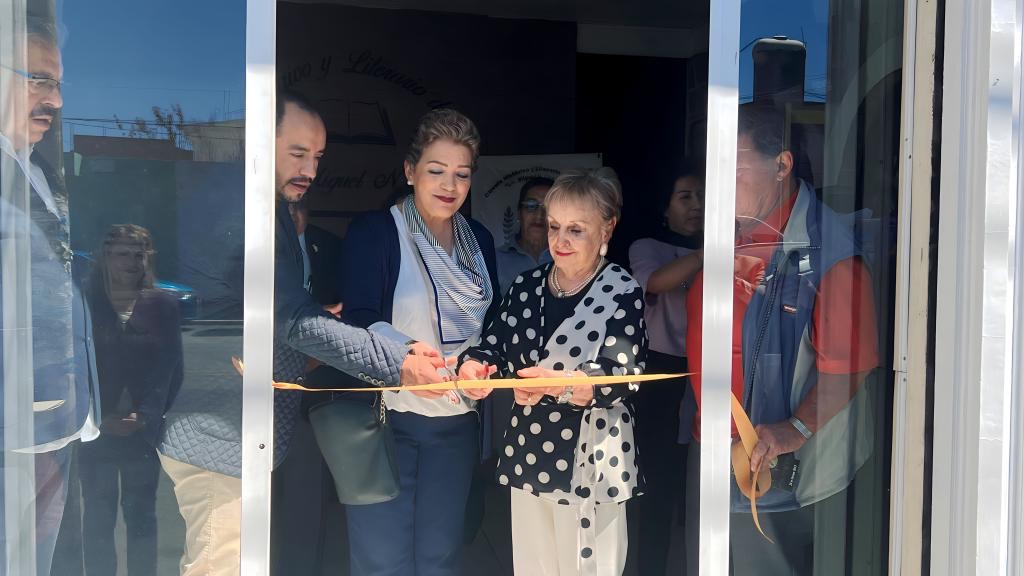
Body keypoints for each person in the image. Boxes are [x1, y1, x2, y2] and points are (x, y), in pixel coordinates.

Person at [156, 91, 449, 576]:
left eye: (317, 156)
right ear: (258, 141)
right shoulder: (239, 209)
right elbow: (289, 319)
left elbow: (273, 310)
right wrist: (399, 362)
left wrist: (318, 318)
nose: (310, 170)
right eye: (297, 153)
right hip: (216, 435)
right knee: (217, 564)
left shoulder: (258, 204)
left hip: (234, 432)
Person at [683, 104, 879, 575]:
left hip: (777, 471)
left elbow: (850, 364)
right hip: (713, 449)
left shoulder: (829, 253)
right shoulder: (733, 233)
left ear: (782, 165)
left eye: (733, 165)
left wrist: (796, 429)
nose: (719, 183)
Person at [459, 168, 649, 576]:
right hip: (530, 449)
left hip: (592, 457)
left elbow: (624, 374)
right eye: (554, 226)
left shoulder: (622, 289)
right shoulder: (525, 287)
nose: (560, 240)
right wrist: (474, 367)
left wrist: (557, 386)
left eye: (576, 230)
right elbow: (493, 347)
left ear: (607, 229)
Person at [337, 108, 500, 576]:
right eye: (436, 170)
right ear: (410, 171)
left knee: (440, 557)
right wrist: (408, 353)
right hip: (388, 420)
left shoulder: (479, 240)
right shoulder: (377, 232)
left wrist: (476, 362)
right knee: (381, 560)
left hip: (456, 421)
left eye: (461, 174)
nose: (449, 185)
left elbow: (489, 326)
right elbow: (357, 317)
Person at [0, 17, 101, 575]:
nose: (57, 101)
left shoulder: (40, 171)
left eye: (58, 84)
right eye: (40, 80)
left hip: (55, 417)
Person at [79, 224, 182, 576]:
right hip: (94, 432)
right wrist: (95, 417)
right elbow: (74, 367)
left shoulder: (163, 305)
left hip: (142, 434)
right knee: (97, 516)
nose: (131, 262)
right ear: (104, 257)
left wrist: (146, 415)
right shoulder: (84, 302)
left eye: (139, 254)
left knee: (142, 517)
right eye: (122, 253)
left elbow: (171, 368)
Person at [626, 168, 704, 575]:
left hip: (708, 373)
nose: (696, 206)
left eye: (702, 196)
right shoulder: (647, 246)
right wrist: (707, 254)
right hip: (659, 377)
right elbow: (654, 283)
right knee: (656, 484)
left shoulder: (726, 249)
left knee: (696, 484)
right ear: (665, 207)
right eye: (685, 197)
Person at [495, 176, 554, 294]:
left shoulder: (568, 258)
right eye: (531, 206)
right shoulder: (495, 259)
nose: (539, 215)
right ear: (519, 213)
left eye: (548, 208)